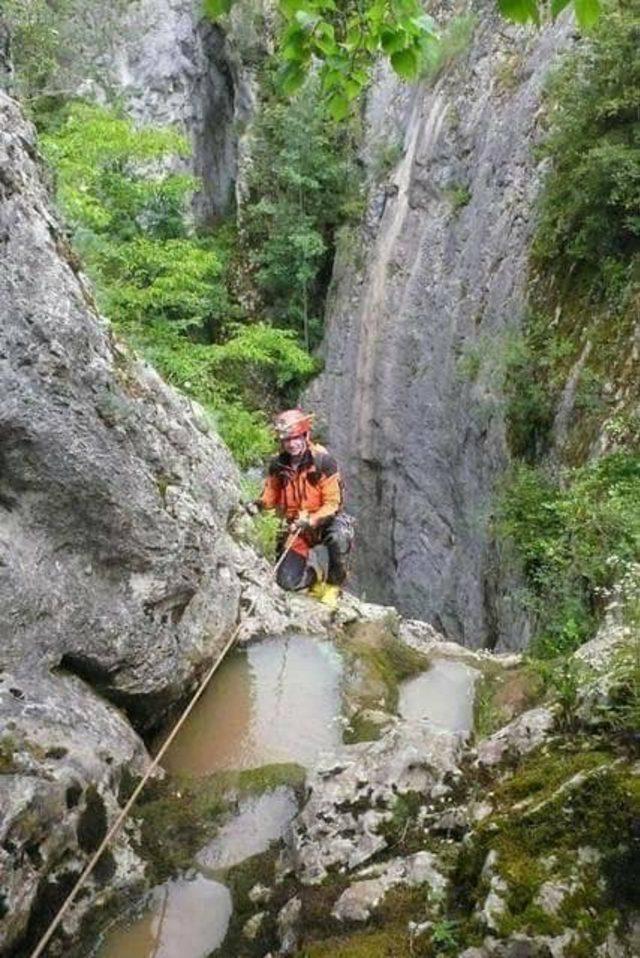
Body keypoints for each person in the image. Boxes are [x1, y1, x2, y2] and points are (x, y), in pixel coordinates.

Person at [247, 409, 354, 603]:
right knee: (286, 582)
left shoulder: (323, 461)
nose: (291, 444)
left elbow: (333, 503)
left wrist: (311, 520)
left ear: (306, 435)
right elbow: (271, 493)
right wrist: (259, 504)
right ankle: (312, 576)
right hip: (297, 527)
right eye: (287, 440)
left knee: (340, 537)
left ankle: (332, 586)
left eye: (296, 438)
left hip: (324, 522)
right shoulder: (279, 465)